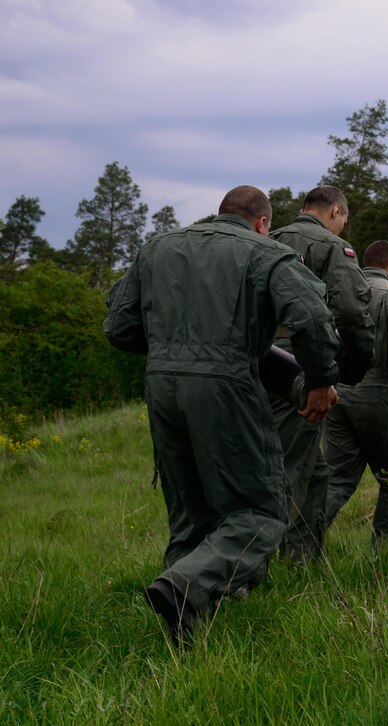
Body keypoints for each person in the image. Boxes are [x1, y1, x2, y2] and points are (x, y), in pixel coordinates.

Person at [104, 186, 340, 640]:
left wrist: (173, 352)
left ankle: (183, 630)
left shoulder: (158, 247)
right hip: (226, 384)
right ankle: (184, 584)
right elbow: (311, 316)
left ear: (221, 214)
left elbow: (119, 325)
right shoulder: (264, 252)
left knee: (190, 513)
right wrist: (318, 380)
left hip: (162, 386)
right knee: (261, 512)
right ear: (262, 222)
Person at [268, 186, 375, 562]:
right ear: (335, 211)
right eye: (344, 219)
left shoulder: (267, 240)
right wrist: (354, 366)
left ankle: (303, 561)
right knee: (289, 471)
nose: (343, 227)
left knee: (315, 471)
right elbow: (350, 311)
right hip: (303, 374)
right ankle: (257, 562)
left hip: (262, 367)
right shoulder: (330, 247)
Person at [324, 240, 388, 542]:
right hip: (380, 396)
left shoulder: (336, 294)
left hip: (336, 395)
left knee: (335, 479)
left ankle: (299, 547)